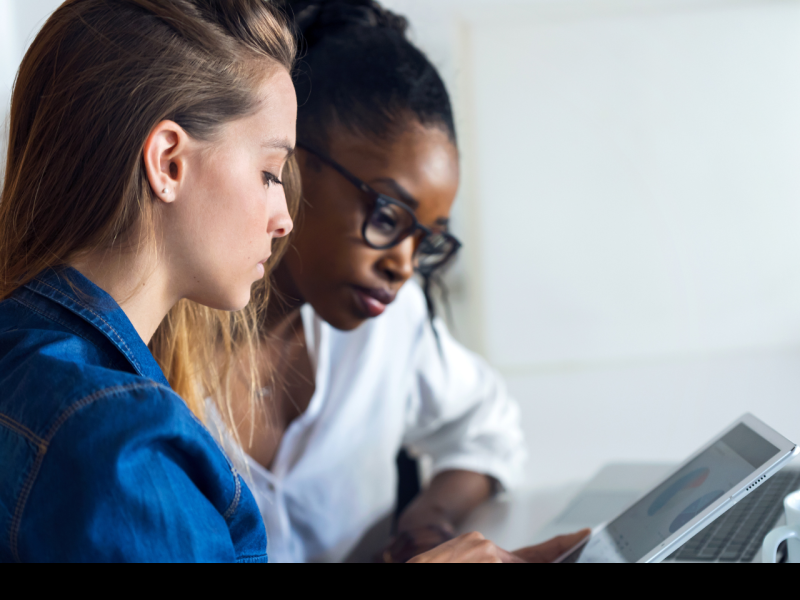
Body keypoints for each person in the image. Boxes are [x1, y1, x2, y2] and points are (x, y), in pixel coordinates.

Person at [219, 0, 530, 563]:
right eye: (388, 217)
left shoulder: (390, 324)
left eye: (426, 239)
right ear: (288, 162)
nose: (403, 266)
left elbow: (489, 428)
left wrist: (428, 519)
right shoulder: (152, 353)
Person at [0, 0, 298, 563]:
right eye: (268, 174)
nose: (284, 220)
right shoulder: (115, 444)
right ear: (168, 163)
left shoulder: (21, 352)